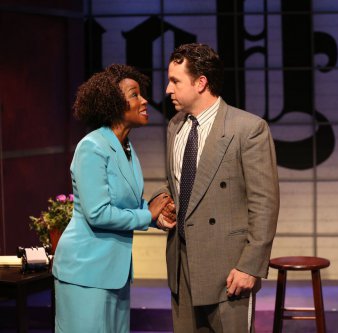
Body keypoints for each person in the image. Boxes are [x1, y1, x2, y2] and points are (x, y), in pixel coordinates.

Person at [151, 43, 280, 332]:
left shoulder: (247, 129)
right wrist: (161, 205)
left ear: (200, 83)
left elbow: (265, 204)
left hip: (229, 272)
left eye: (175, 81)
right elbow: (176, 183)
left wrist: (250, 265)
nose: (168, 90)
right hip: (182, 266)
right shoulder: (175, 126)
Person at [52, 64, 173, 333]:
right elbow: (98, 213)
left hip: (113, 273)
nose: (144, 101)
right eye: (134, 95)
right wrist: (147, 215)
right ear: (113, 104)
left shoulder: (126, 147)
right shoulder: (92, 147)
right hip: (85, 272)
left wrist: (159, 218)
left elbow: (128, 205)